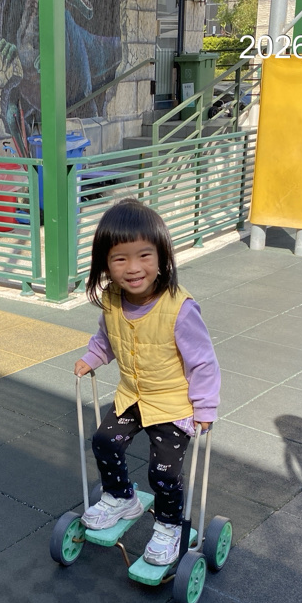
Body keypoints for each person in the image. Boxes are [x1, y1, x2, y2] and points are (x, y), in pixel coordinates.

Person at [74, 199, 221, 567]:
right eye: (120, 259)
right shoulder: (111, 299)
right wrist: (94, 356)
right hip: (132, 397)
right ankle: (122, 497)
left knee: (164, 472)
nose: (133, 268)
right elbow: (108, 336)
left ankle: (169, 526)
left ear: (161, 257)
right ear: (105, 263)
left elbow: (203, 361)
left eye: (144, 255)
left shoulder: (179, 308)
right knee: (104, 441)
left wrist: (205, 407)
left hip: (171, 404)